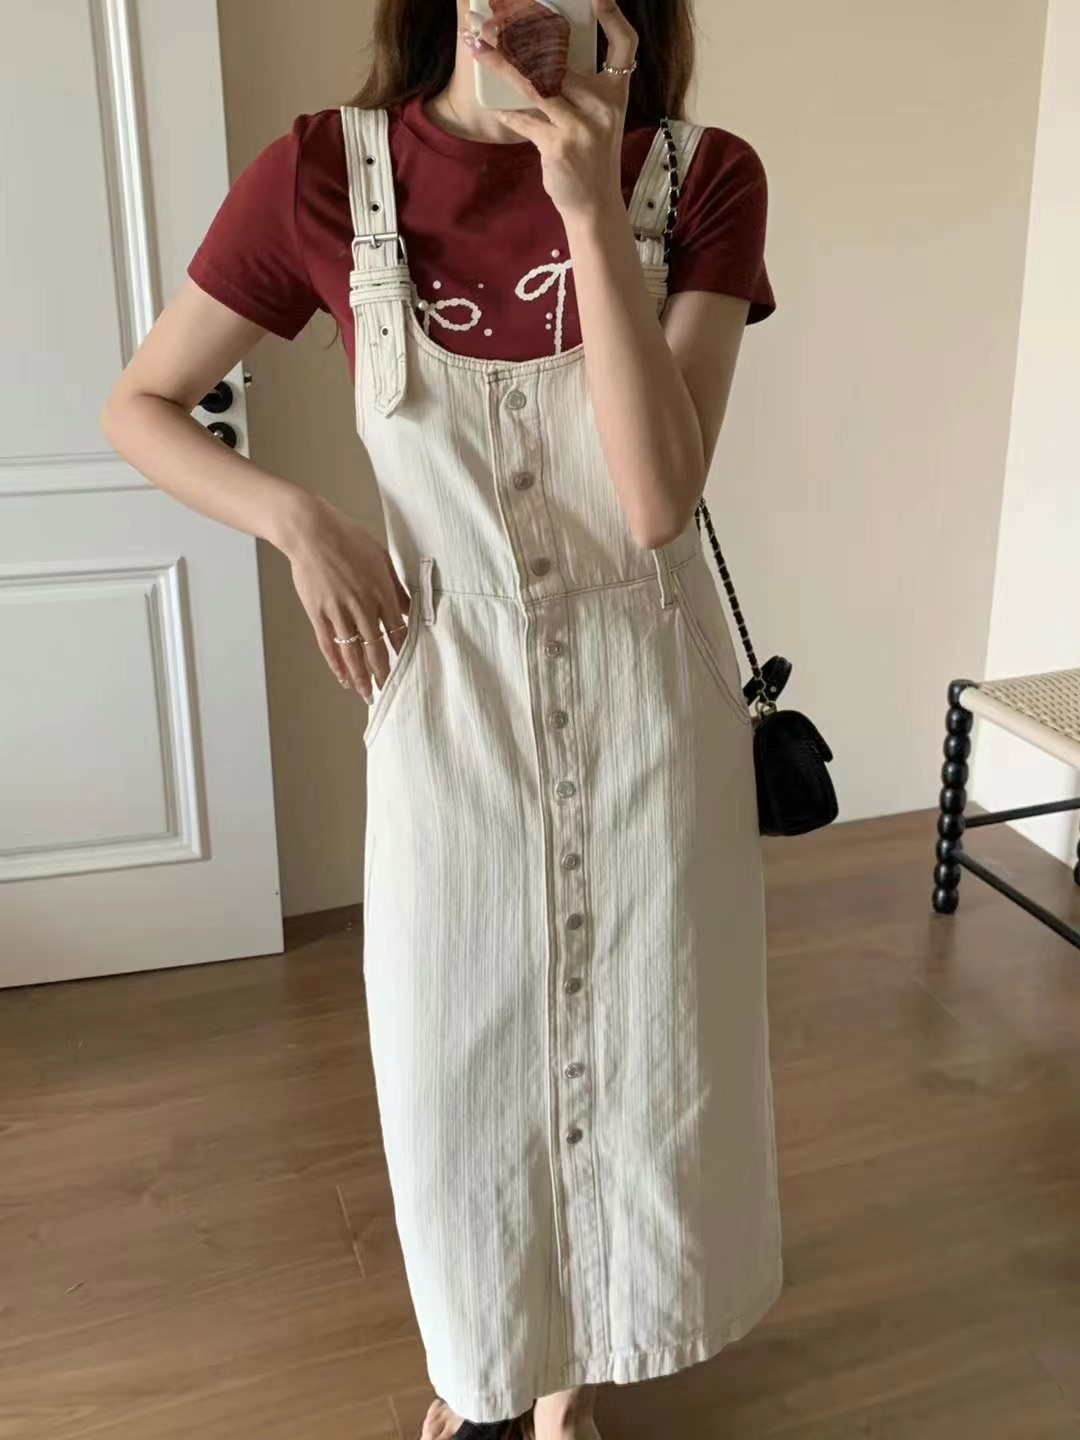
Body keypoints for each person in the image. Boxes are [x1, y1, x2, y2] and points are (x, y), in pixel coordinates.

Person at [101, 2, 783, 1436]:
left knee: (640, 1036)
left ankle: (567, 1387)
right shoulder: (324, 173)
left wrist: (587, 205)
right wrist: (295, 519)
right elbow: (142, 403)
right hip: (446, 687)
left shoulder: (701, 178)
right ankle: (481, 1362)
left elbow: (658, 503)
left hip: (648, 685)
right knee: (456, 1061)